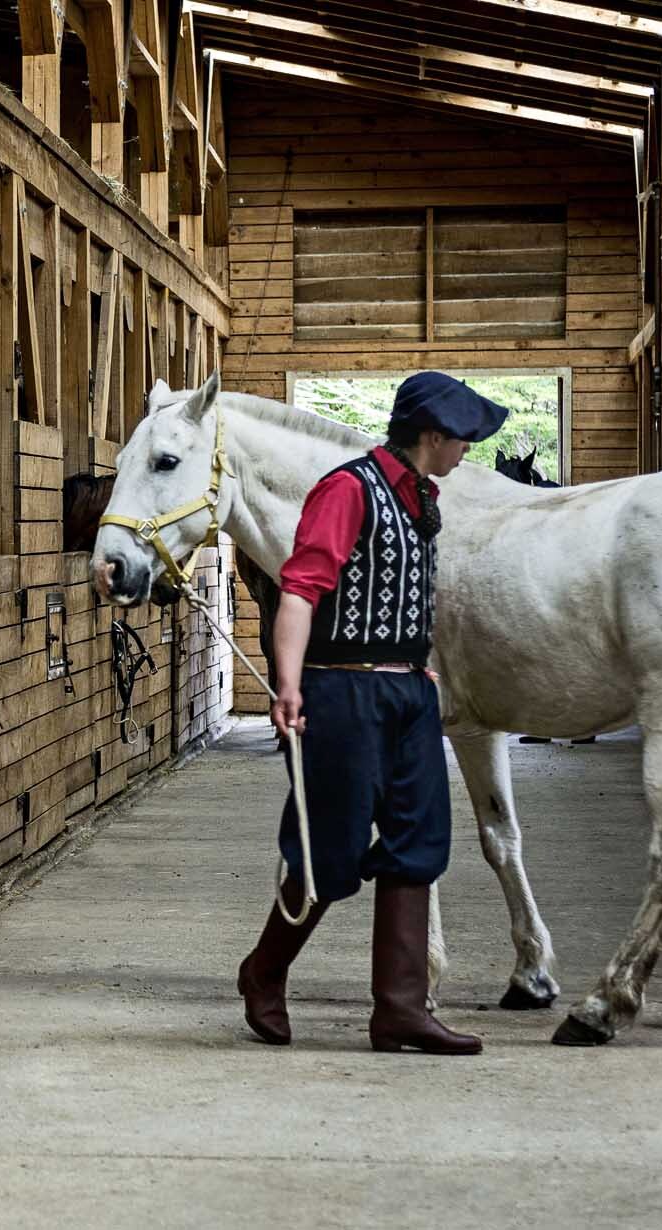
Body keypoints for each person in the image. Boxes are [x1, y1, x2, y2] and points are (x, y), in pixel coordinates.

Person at [237, 371, 507, 1055]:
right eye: (463, 439)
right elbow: (299, 590)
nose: (467, 450)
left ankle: (400, 1011)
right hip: (342, 691)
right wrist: (289, 685)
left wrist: (417, 667)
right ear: (432, 434)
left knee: (420, 843)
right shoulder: (347, 488)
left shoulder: (421, 497)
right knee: (331, 849)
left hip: (410, 692)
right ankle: (264, 972)